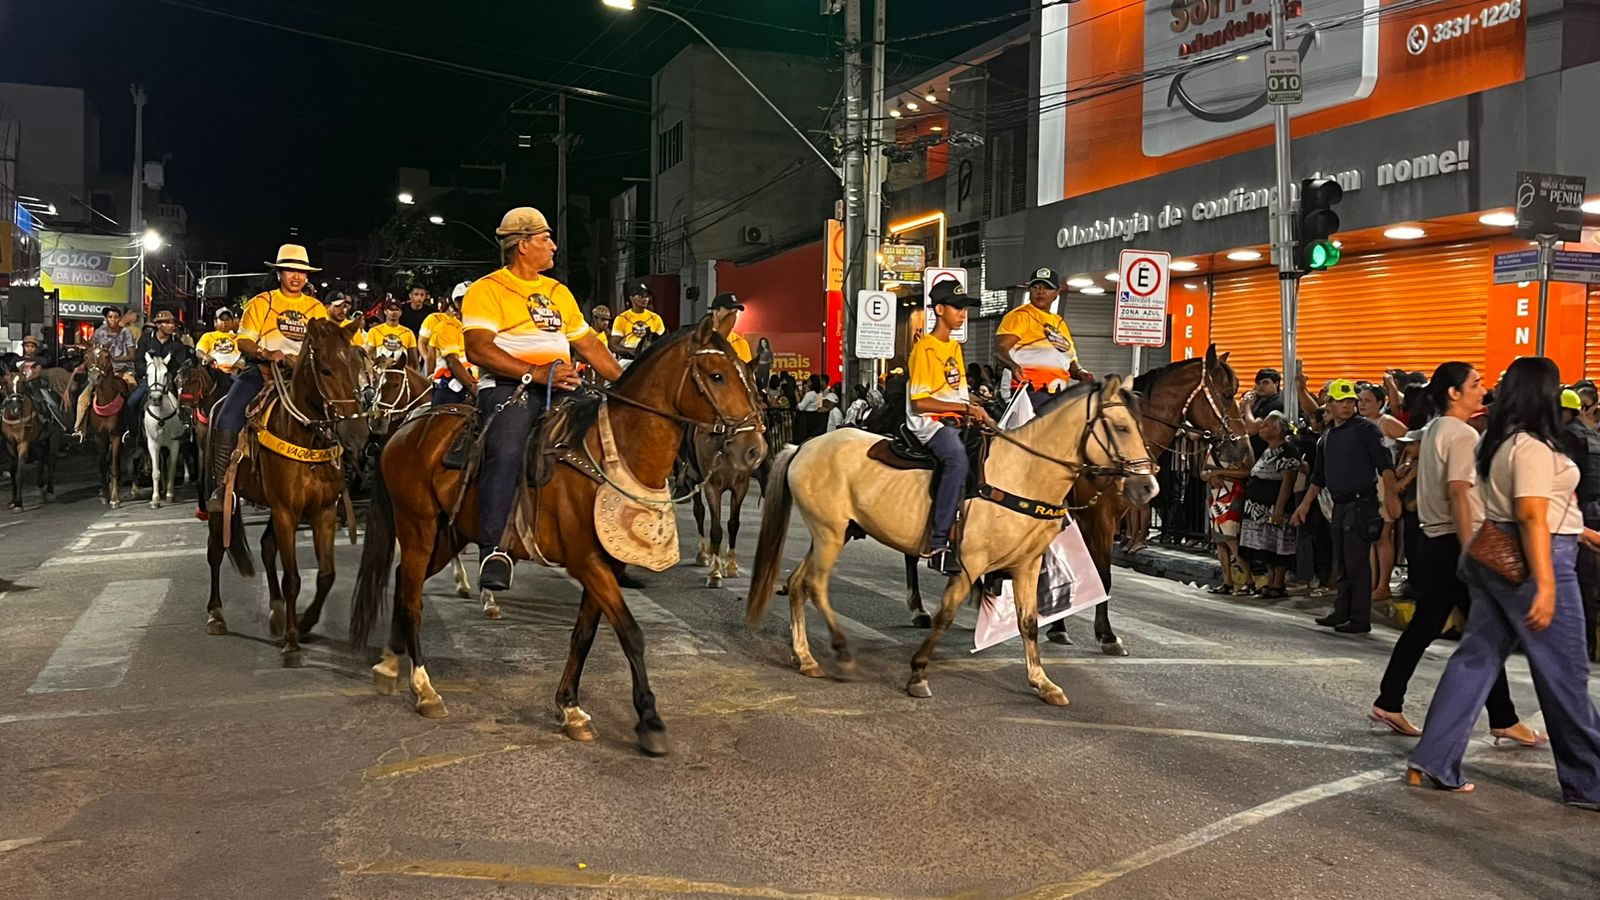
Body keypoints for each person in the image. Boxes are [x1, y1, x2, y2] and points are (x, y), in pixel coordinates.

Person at [1406, 357, 1600, 804]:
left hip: (1495, 552)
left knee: (1476, 659)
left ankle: (1432, 758)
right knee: (1565, 672)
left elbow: (1525, 507)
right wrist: (1547, 584)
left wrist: (1579, 530)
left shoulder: (1495, 442)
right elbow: (1531, 513)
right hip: (1535, 558)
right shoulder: (1531, 446)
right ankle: (1589, 781)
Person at [1369, 362, 1544, 744]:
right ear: (1454, 393)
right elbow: (1460, 492)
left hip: (1433, 542)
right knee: (1486, 631)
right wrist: (1471, 552)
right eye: (1475, 383)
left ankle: (1390, 700)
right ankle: (1501, 718)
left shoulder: (1434, 430)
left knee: (1428, 627)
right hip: (1454, 543)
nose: (1482, 390)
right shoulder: (1462, 434)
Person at [463, 207, 622, 592]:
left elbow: (589, 346)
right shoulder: (487, 289)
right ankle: (493, 548)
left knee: (613, 441)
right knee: (506, 449)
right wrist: (533, 373)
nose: (553, 245)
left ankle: (615, 540)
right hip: (509, 388)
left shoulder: (557, 292)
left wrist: (629, 384)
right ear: (521, 245)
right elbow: (478, 348)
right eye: (545, 238)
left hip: (563, 386)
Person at [206, 244, 329, 512]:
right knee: (228, 416)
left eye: (301, 272)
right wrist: (267, 352)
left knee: (341, 412)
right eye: (290, 271)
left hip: (303, 377)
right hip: (262, 373)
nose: (296, 277)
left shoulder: (316, 308)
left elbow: (325, 346)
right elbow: (244, 341)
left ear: (307, 276)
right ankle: (222, 485)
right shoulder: (262, 303)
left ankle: (337, 481)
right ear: (279, 274)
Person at [1290, 378, 1400, 634]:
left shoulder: (1366, 430)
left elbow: (1385, 465)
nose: (1348, 406)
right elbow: (1319, 477)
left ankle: (1360, 618)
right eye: (1342, 401)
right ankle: (1342, 610)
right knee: (1342, 561)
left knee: (1357, 563)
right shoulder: (1327, 436)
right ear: (1329, 403)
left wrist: (1392, 497)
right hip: (1339, 506)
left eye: (1351, 401)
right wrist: (1304, 506)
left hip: (1361, 504)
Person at [907, 280, 993, 575]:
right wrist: (966, 408)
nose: (963, 313)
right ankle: (939, 541)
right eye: (958, 307)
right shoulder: (925, 349)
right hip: (929, 424)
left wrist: (981, 408)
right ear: (940, 309)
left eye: (965, 308)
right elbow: (920, 402)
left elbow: (955, 392)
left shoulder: (954, 347)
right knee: (956, 460)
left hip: (954, 419)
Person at [996, 266, 1091, 404]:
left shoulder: (1059, 322)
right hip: (1026, 391)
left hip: (1057, 392)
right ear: (1029, 290)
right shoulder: (1020, 316)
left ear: (1057, 293)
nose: (1040, 291)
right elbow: (1000, 350)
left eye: (1047, 288)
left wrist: (1081, 373)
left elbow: (1069, 360)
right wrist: (1013, 366)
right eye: (1036, 287)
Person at [1239, 411, 1303, 598]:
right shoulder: (1268, 450)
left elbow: (1287, 480)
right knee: (1266, 547)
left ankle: (1278, 583)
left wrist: (1279, 508)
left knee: (1279, 545)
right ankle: (1270, 580)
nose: (1261, 427)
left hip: (1274, 506)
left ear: (1277, 430)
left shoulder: (1287, 450)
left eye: (1266, 425)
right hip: (1258, 508)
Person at [1561, 387, 1600, 660]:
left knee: (1580, 583)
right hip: (1593, 512)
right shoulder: (1594, 437)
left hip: (1579, 513)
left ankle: (1580, 645)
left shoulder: (1567, 437)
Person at [73, 306, 136, 439]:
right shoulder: (99, 333)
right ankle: (79, 429)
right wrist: (83, 366)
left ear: (119, 319)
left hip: (122, 370)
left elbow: (132, 355)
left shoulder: (126, 333)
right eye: (110, 317)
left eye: (116, 317)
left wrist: (114, 359)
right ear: (106, 318)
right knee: (83, 397)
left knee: (132, 393)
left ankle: (130, 429)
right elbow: (92, 354)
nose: (113, 320)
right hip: (101, 372)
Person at [127, 309, 193, 435]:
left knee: (185, 405)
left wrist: (169, 375)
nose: (171, 326)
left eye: (172, 323)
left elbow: (180, 364)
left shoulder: (177, 343)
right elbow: (138, 360)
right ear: (158, 325)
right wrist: (147, 373)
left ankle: (185, 433)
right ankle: (134, 436)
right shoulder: (145, 340)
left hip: (169, 381)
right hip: (149, 380)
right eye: (167, 323)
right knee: (132, 403)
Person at [427, 290, 476, 405]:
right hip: (451, 388)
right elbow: (452, 361)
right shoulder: (447, 327)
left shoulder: (477, 328)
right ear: (458, 303)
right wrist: (474, 389)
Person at [1240, 368, 1286, 460]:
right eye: (1258, 383)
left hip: (1266, 456)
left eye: (1265, 382)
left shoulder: (1277, 403)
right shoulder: (1258, 400)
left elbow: (1252, 429)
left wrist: (1248, 406)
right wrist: (1243, 405)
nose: (1261, 386)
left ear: (1276, 384)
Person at [612, 281, 664, 359]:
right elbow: (614, 345)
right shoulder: (622, 318)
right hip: (628, 359)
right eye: (640, 296)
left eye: (646, 296)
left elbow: (663, 341)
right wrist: (631, 350)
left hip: (649, 358)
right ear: (631, 298)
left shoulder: (655, 318)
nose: (645, 299)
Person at [195, 308, 245, 390]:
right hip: (214, 373)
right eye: (221, 319)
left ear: (232, 322)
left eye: (227, 319)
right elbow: (199, 351)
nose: (224, 322)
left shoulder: (239, 338)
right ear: (215, 322)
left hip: (235, 373)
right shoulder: (208, 336)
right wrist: (206, 357)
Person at [418, 285, 463, 375]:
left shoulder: (466, 321)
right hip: (438, 365)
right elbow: (422, 342)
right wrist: (428, 359)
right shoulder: (434, 318)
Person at [366, 299, 418, 368]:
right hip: (380, 372)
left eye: (396, 309)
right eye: (391, 309)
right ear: (385, 312)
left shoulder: (408, 333)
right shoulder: (374, 331)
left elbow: (414, 362)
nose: (394, 312)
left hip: (401, 374)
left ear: (401, 312)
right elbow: (367, 356)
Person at [708, 293, 753, 363]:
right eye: (729, 311)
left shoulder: (741, 343)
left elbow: (746, 372)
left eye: (735, 312)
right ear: (716, 312)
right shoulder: (701, 340)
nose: (733, 316)